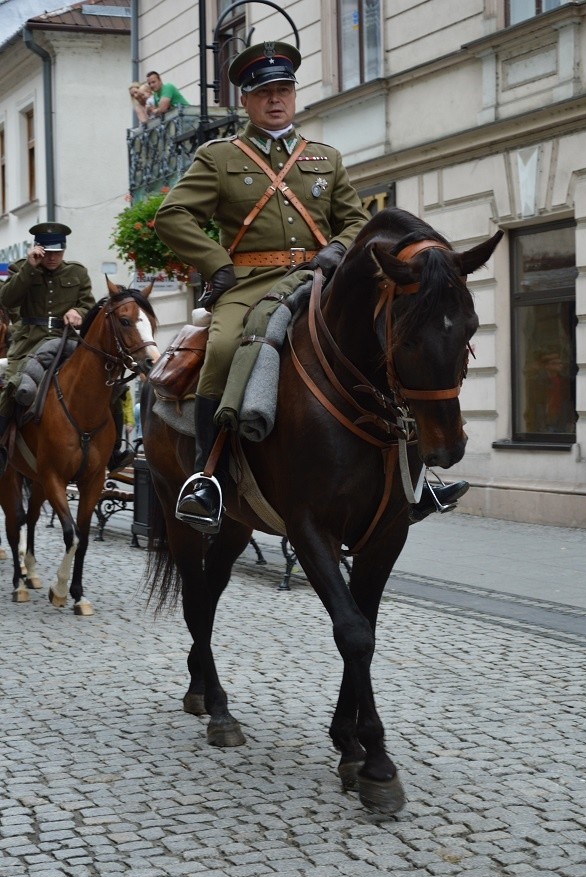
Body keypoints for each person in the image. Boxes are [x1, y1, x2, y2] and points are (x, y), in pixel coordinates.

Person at [154, 41, 468, 532]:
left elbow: (355, 221)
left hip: (320, 280)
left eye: (283, 90)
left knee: (384, 345)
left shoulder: (323, 158)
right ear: (246, 101)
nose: (275, 100)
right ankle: (207, 476)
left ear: (294, 96)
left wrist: (339, 249)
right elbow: (171, 215)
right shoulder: (219, 158)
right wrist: (216, 263)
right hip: (250, 283)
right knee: (221, 349)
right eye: (264, 93)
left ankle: (414, 479)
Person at [0, 222, 132, 475]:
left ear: (64, 250)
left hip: (67, 341)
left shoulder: (77, 273)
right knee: (17, 387)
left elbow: (89, 305)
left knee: (113, 385)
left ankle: (113, 451)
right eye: (47, 253)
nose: (52, 258)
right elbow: (6, 300)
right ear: (38, 249)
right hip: (30, 341)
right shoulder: (21, 269)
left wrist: (79, 313)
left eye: (57, 253)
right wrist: (30, 267)